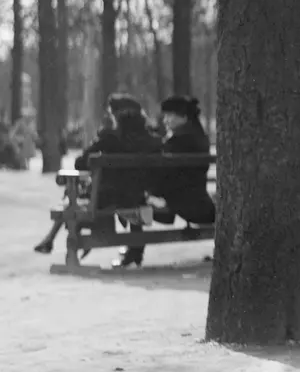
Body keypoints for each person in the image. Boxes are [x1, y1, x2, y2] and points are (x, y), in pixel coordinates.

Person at [64, 94, 162, 267]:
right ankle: (135, 250)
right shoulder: (153, 141)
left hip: (110, 197)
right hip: (140, 196)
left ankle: (77, 248)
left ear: (116, 115)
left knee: (79, 200)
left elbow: (80, 163)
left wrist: (97, 141)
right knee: (132, 194)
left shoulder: (110, 138)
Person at [147, 95, 216, 226]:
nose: (165, 121)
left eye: (169, 116)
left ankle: (134, 241)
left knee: (133, 197)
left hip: (186, 203)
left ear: (184, 117)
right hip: (197, 201)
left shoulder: (181, 141)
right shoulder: (197, 136)